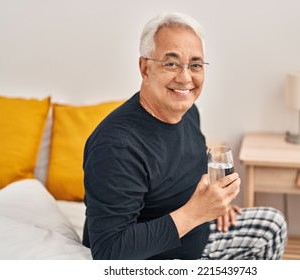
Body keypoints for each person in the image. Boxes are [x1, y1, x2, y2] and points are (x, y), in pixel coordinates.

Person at [82, 12, 287, 260]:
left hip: (195, 233)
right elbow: (109, 251)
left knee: (272, 225)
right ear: (145, 68)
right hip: (157, 257)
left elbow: (183, 177)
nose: (186, 78)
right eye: (171, 63)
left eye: (195, 65)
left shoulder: (188, 113)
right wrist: (195, 213)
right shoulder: (116, 146)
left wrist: (215, 206)